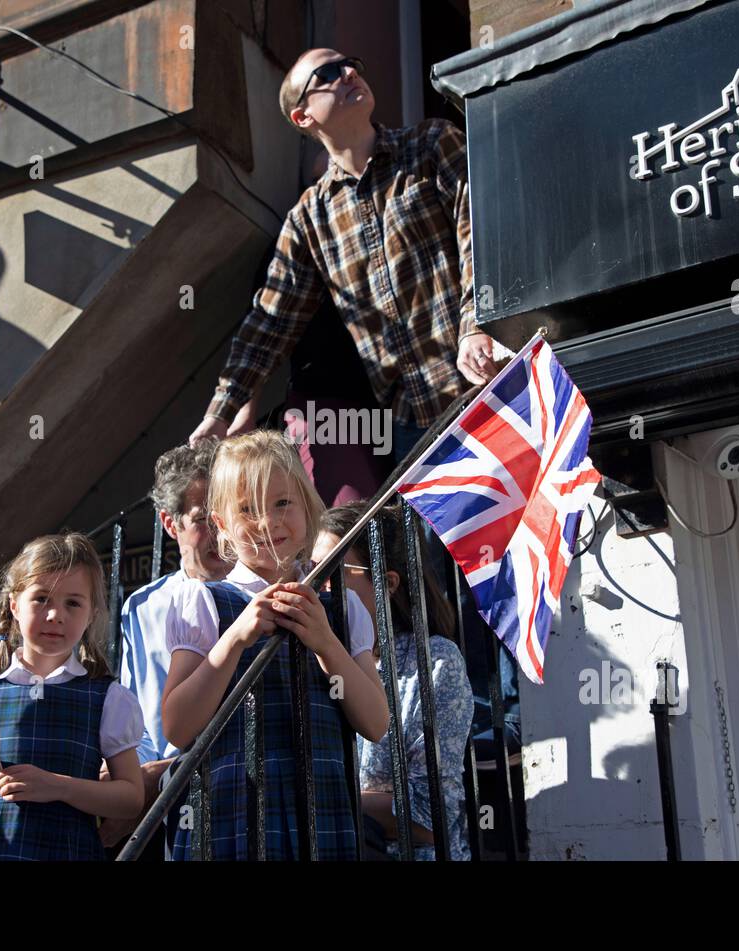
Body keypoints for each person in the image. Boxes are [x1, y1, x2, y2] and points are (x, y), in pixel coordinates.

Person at [187, 47, 501, 450]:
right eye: (330, 72)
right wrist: (220, 412)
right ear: (303, 116)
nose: (350, 72)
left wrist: (477, 323)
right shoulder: (309, 219)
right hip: (414, 432)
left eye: (352, 63)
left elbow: (481, 233)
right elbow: (269, 323)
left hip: (491, 383)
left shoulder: (431, 144)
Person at [161, 430, 389, 859]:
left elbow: (376, 723)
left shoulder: (341, 611)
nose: (268, 522)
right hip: (231, 814)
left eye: (282, 503)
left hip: (321, 815)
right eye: (247, 510)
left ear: (308, 505)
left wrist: (326, 643)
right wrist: (233, 640)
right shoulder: (204, 603)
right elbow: (177, 726)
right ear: (222, 524)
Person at [0, 532, 145, 861]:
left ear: (91, 614)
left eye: (72, 603)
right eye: (41, 598)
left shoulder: (108, 698)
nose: (55, 615)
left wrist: (59, 786)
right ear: (14, 605)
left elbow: (131, 797)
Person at [313, 501, 473, 861]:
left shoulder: (432, 661)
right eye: (311, 570)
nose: (319, 587)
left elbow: (431, 818)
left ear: (386, 584)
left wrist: (319, 796)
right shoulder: (310, 661)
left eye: (333, 570)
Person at [98, 441, 232, 853]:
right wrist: (131, 776)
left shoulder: (258, 594)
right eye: (202, 520)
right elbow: (139, 716)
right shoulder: (143, 607)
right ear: (170, 525)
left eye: (226, 513)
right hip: (167, 806)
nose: (220, 531)